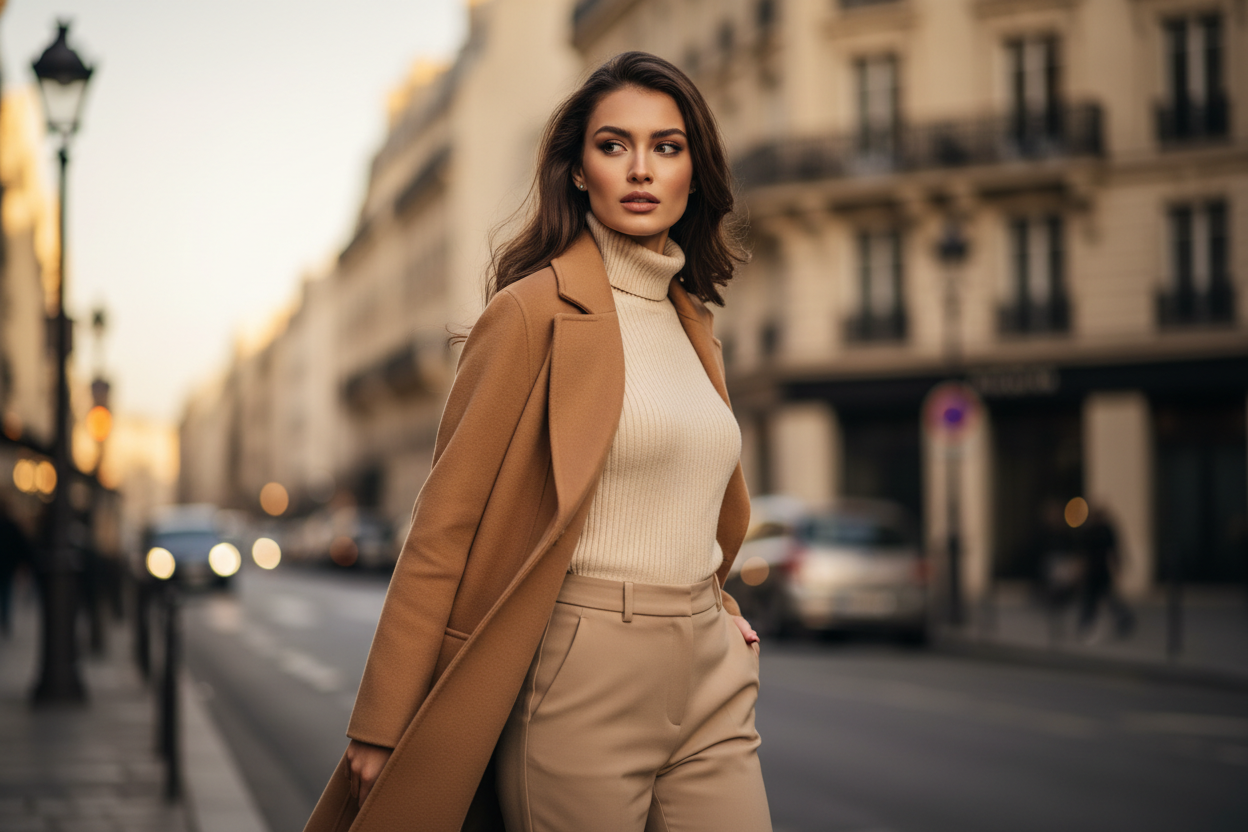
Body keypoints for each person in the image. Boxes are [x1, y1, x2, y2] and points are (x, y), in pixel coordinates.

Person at [304, 52, 768, 832]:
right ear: (579, 171)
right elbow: (442, 530)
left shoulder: (696, 325)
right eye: (614, 146)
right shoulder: (531, 314)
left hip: (712, 671)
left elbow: (691, 495)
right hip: (584, 665)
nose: (642, 169)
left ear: (695, 168)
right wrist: (382, 722)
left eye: (667, 146)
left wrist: (716, 605)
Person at [1076, 504, 1135, 641]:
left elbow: (1113, 550)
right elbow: (1083, 554)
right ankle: (1086, 625)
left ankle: (1123, 619)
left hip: (1100, 571)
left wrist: (1117, 568)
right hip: (1093, 572)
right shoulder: (1090, 531)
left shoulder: (1104, 530)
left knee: (1102, 599)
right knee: (1092, 601)